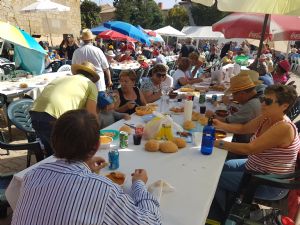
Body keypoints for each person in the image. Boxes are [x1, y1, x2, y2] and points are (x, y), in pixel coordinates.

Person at [12, 109, 161, 225]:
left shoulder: (32, 175)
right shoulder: (103, 189)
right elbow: (151, 221)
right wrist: (139, 184)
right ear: (96, 146)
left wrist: (86, 169)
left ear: (53, 140)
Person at [210, 84, 299, 219]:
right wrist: (219, 124)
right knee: (221, 166)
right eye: (263, 99)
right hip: (255, 166)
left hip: (269, 182)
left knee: (214, 179)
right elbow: (243, 128)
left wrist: (217, 143)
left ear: (284, 106)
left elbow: (249, 148)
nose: (262, 104)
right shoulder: (267, 116)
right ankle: (233, 200)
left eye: (268, 102)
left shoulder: (284, 127)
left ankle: (227, 215)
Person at [30, 61, 99, 156]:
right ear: (91, 77)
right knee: (65, 154)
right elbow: (91, 116)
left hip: (35, 113)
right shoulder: (90, 84)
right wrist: (97, 135)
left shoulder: (61, 78)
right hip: (54, 117)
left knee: (51, 153)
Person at [206, 73, 261, 143]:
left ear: (242, 94)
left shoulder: (251, 105)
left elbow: (227, 121)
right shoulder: (255, 99)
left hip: (242, 142)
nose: (233, 97)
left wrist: (213, 116)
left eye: (234, 94)